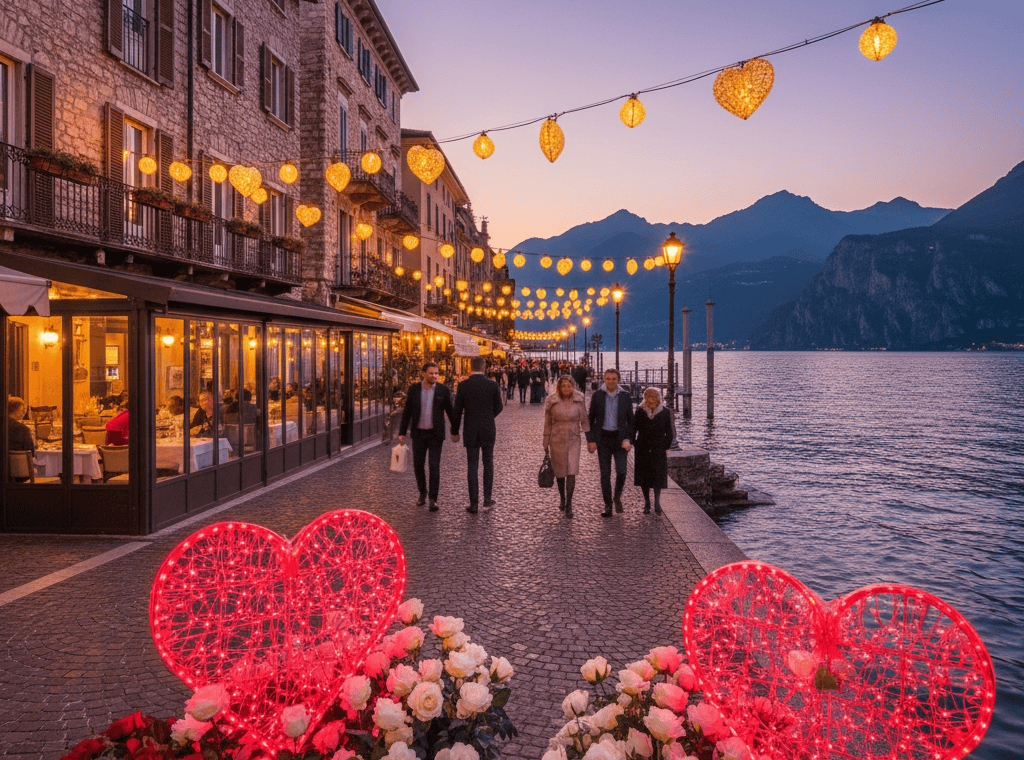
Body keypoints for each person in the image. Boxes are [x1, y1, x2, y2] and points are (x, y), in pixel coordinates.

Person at [398, 361, 456, 512]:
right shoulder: (414, 389)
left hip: (435, 434)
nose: (434, 376)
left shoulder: (443, 390)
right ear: (423, 373)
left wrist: (455, 430)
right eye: (431, 373)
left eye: (436, 373)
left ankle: (433, 499)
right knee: (418, 464)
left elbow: (450, 411)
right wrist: (402, 432)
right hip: (419, 433)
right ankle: (422, 493)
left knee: (434, 466)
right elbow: (407, 412)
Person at [451, 356, 504, 513]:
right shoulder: (492, 385)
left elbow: (457, 410)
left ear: (470, 367)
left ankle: (474, 503)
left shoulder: (463, 386)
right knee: (488, 463)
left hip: (471, 429)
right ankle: (487, 499)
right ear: (484, 367)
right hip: (488, 429)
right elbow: (499, 407)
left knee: (472, 465)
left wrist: (454, 431)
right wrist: (488, 416)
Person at [586, 368, 634, 517]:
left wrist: (629, 439)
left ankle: (617, 496)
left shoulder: (626, 396)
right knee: (605, 474)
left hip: (620, 439)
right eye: (608, 379)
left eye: (613, 379)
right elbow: (590, 419)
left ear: (618, 380)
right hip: (603, 439)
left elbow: (631, 421)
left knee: (622, 471)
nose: (611, 381)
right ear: (604, 380)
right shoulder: (598, 396)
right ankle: (608, 505)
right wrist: (591, 440)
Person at [543, 375, 590, 518]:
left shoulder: (579, 399)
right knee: (560, 471)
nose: (566, 388)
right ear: (559, 387)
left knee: (571, 470)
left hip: (573, 437)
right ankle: (562, 498)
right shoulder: (551, 400)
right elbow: (548, 422)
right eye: (563, 386)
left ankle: (569, 503)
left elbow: (584, 419)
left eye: (569, 386)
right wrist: (545, 441)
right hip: (556, 437)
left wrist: (590, 440)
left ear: (573, 386)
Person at [632, 387, 674, 514]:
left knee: (658, 476)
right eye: (649, 398)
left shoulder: (664, 412)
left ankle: (657, 503)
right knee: (643, 476)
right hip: (642, 447)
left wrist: (665, 446)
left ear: (657, 398)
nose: (651, 400)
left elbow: (669, 432)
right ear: (645, 398)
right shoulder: (640, 411)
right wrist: (635, 443)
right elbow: (633, 429)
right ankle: (647, 503)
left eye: (653, 398)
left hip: (658, 448)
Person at [7, 398, 36, 480]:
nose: (24, 413)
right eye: (22, 410)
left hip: (4, 471)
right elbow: (31, 452)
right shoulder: (22, 429)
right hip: (20, 473)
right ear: (15, 410)